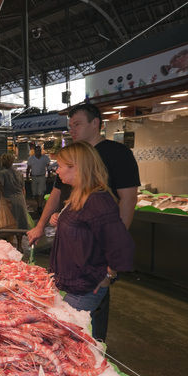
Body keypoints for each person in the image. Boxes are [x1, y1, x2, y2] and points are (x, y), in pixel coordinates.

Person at [27, 103, 140, 341]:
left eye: (77, 124)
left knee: (82, 334)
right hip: (73, 276)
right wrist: (57, 221)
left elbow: (128, 202)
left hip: (89, 274)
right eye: (70, 125)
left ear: (95, 123)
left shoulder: (115, 159)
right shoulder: (78, 189)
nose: (72, 129)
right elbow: (58, 197)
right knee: (71, 330)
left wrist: (108, 269)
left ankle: (97, 349)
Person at [49, 141, 134, 341]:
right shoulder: (79, 194)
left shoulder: (97, 200)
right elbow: (82, 228)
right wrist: (59, 220)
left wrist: (107, 275)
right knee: (73, 337)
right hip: (72, 282)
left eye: (60, 166)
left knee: (65, 338)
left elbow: (121, 244)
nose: (57, 171)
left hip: (85, 286)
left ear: (76, 167)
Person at [0, 153, 29, 230]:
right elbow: (23, 189)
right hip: (20, 200)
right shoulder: (19, 173)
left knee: (10, 224)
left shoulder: (2, 173)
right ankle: (19, 241)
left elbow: (0, 188)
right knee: (21, 223)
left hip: (9, 201)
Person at [26, 145, 51, 214]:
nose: (38, 152)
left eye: (39, 150)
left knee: (40, 192)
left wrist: (49, 176)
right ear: (34, 151)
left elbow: (48, 167)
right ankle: (39, 204)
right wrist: (27, 177)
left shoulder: (45, 158)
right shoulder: (31, 158)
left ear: (40, 151)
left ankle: (39, 207)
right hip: (34, 177)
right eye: (37, 150)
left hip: (42, 177)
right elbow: (28, 168)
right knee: (35, 193)